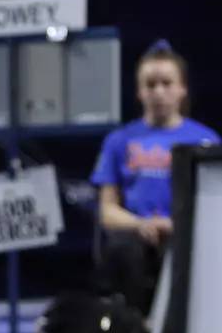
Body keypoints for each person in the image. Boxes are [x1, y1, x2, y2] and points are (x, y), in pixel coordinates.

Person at [92, 42, 219, 317]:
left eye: (166, 83)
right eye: (150, 84)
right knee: (125, 250)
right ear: (140, 91)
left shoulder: (206, 141)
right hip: (135, 239)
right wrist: (141, 224)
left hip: (187, 238)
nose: (159, 92)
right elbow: (107, 211)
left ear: (182, 88)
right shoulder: (119, 141)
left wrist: (178, 226)